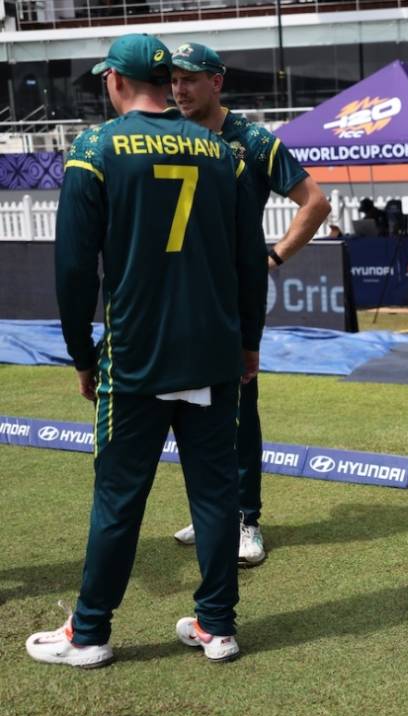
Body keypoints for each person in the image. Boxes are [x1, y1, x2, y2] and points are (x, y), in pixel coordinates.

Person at [27, 34, 265, 667]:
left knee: (118, 496)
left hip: (136, 353)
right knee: (216, 494)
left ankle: (91, 632)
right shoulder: (222, 152)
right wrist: (249, 343)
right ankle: (217, 625)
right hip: (213, 350)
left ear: (115, 82)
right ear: (166, 82)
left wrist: (82, 353)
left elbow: (75, 270)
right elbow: (251, 262)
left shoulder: (96, 148)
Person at [167, 41, 331, 567]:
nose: (179, 88)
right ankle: (213, 509)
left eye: (190, 79)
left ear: (217, 81)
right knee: (191, 405)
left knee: (240, 405)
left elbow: (317, 202)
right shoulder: (170, 132)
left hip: (233, 296)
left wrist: (275, 258)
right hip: (183, 291)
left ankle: (246, 520)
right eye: (174, 79)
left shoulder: (255, 140)